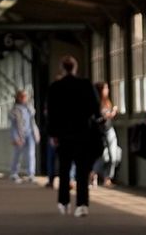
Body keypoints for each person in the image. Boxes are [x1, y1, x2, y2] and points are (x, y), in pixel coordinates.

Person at [46, 55, 101, 217]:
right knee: (82, 171)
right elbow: (94, 108)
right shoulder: (85, 85)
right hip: (83, 132)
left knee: (64, 169)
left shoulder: (55, 87)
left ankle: (64, 202)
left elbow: (51, 113)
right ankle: (82, 204)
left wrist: (53, 134)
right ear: (75, 68)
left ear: (62, 69)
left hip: (63, 134)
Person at [92, 81, 121, 187]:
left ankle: (106, 177)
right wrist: (110, 114)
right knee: (103, 155)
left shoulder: (107, 102)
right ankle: (96, 173)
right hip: (101, 132)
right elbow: (98, 118)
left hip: (109, 130)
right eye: (105, 88)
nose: (107, 90)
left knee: (112, 155)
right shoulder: (97, 103)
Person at [8, 89, 40, 182]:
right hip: (19, 134)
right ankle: (14, 173)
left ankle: (31, 174)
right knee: (17, 154)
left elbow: (32, 122)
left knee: (30, 154)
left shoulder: (30, 108)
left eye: (25, 96)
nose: (24, 98)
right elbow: (13, 126)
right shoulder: (13, 110)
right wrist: (15, 137)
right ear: (17, 97)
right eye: (21, 96)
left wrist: (36, 132)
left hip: (30, 133)